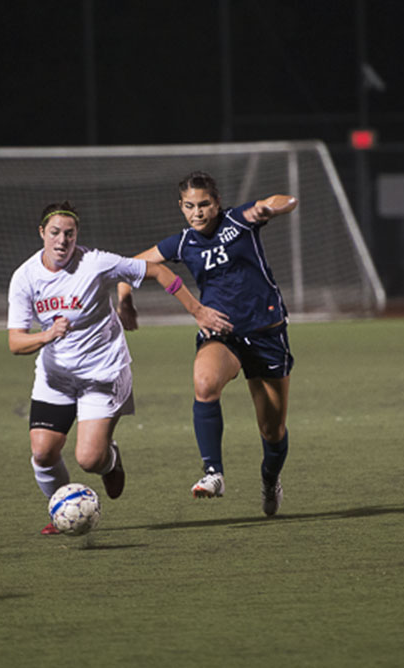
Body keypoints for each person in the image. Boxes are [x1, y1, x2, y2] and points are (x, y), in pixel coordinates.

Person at [8, 201, 230, 534]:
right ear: (42, 233)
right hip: (56, 377)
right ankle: (61, 511)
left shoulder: (97, 263)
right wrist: (48, 335)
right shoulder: (25, 277)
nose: (62, 241)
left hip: (103, 373)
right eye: (55, 232)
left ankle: (110, 459)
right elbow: (15, 343)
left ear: (76, 235)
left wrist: (195, 310)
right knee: (42, 452)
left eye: (69, 233)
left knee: (89, 459)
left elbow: (158, 270)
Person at [117, 171, 298, 516]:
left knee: (272, 430)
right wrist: (125, 297)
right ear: (181, 207)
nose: (197, 212)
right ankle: (213, 473)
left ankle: (269, 480)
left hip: (266, 333)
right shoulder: (183, 243)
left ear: (216, 204)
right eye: (190, 206)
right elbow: (131, 266)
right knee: (204, 382)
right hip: (222, 332)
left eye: (203, 205)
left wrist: (271, 208)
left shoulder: (239, 220)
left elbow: (282, 201)